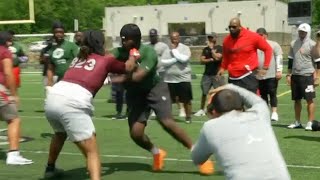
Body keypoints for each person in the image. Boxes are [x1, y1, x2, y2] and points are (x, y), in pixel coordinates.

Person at [111, 24, 213, 174]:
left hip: (155, 89)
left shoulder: (148, 52)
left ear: (135, 40)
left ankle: (200, 156)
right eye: (121, 39)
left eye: (125, 39)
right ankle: (157, 152)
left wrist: (111, 80)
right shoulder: (120, 51)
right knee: (136, 134)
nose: (122, 42)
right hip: (136, 94)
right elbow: (106, 59)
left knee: (167, 122)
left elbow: (138, 76)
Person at [44, 30, 136, 179]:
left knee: (60, 134)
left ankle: (50, 168)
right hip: (73, 101)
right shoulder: (106, 59)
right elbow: (128, 68)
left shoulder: (77, 58)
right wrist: (133, 54)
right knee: (92, 151)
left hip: (53, 96)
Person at [191, 84, 291, 180]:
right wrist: (231, 87)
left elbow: (197, 158)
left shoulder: (210, 127)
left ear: (214, 110)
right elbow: (256, 100)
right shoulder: (260, 114)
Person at [0, 31, 33, 165]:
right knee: (14, 120)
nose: (11, 43)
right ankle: (13, 154)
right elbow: (8, 73)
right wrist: (13, 94)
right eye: (9, 40)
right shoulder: (4, 52)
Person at [217, 17, 272, 93]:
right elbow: (226, 56)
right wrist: (222, 68)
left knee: (249, 103)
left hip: (248, 76)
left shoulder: (252, 36)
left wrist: (265, 67)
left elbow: (268, 49)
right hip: (233, 77)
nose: (231, 29)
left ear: (240, 27)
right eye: (230, 27)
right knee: (235, 103)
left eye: (234, 27)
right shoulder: (226, 40)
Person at [286, 23, 317, 130]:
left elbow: (318, 62)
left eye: (303, 31)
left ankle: (310, 122)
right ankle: (297, 122)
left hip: (307, 75)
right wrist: (289, 74)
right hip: (295, 75)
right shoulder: (293, 43)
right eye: (300, 31)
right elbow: (290, 60)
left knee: (309, 100)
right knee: (297, 100)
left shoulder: (313, 44)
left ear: (307, 32)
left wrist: (317, 76)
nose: (301, 33)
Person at [161, 31, 193, 123]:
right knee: (168, 101)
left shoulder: (185, 48)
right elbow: (163, 62)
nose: (174, 39)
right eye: (173, 38)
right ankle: (168, 117)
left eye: (176, 38)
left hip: (183, 78)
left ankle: (188, 117)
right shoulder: (166, 49)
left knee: (186, 100)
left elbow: (184, 59)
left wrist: (174, 51)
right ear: (170, 39)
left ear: (179, 38)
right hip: (170, 79)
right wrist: (175, 59)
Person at [194, 32, 225, 117]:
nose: (210, 39)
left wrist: (212, 51)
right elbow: (202, 60)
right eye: (209, 38)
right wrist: (211, 59)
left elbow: (218, 57)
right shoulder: (205, 49)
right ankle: (201, 109)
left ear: (215, 38)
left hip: (217, 74)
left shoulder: (220, 48)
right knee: (204, 92)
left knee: (220, 93)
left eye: (212, 37)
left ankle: (222, 109)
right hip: (207, 74)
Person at [256, 28, 283, 121]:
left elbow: (279, 57)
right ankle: (265, 112)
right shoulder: (255, 45)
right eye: (258, 35)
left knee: (272, 93)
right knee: (262, 95)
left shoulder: (273, 44)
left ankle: (274, 112)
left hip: (271, 74)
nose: (259, 36)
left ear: (266, 35)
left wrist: (279, 70)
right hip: (259, 75)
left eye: (261, 35)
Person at [47, 21, 79, 86]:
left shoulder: (71, 46)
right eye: (56, 32)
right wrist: (49, 82)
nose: (59, 34)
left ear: (64, 33)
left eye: (61, 32)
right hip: (60, 80)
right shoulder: (51, 49)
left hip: (72, 80)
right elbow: (50, 68)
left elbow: (80, 61)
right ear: (53, 33)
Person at [148, 28, 170, 117]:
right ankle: (151, 109)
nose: (152, 38)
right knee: (150, 91)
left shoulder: (163, 46)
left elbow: (165, 59)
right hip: (149, 72)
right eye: (151, 36)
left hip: (160, 72)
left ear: (157, 36)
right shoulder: (147, 46)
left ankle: (160, 110)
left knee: (160, 91)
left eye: (154, 36)